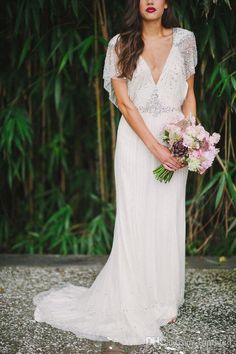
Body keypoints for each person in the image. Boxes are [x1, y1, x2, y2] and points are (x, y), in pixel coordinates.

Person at [33, 0, 198, 347]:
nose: (151, 1)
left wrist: (190, 136)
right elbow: (124, 102)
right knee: (136, 217)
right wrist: (156, 148)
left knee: (167, 217)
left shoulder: (185, 40)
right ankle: (135, 297)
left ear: (167, 2)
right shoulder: (120, 43)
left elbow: (189, 95)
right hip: (138, 142)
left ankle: (164, 298)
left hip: (174, 138)